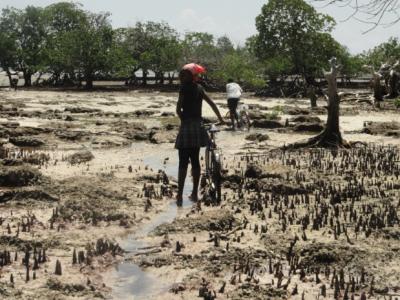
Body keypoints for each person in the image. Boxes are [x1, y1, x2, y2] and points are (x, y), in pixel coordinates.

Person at [175, 69, 225, 205]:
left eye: (181, 75)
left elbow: (178, 109)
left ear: (187, 77)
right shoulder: (199, 88)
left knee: (183, 161)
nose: (180, 77)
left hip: (186, 126)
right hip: (198, 126)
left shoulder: (183, 88)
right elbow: (212, 104)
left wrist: (183, 119)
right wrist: (221, 119)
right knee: (195, 159)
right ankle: (194, 194)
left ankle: (179, 196)